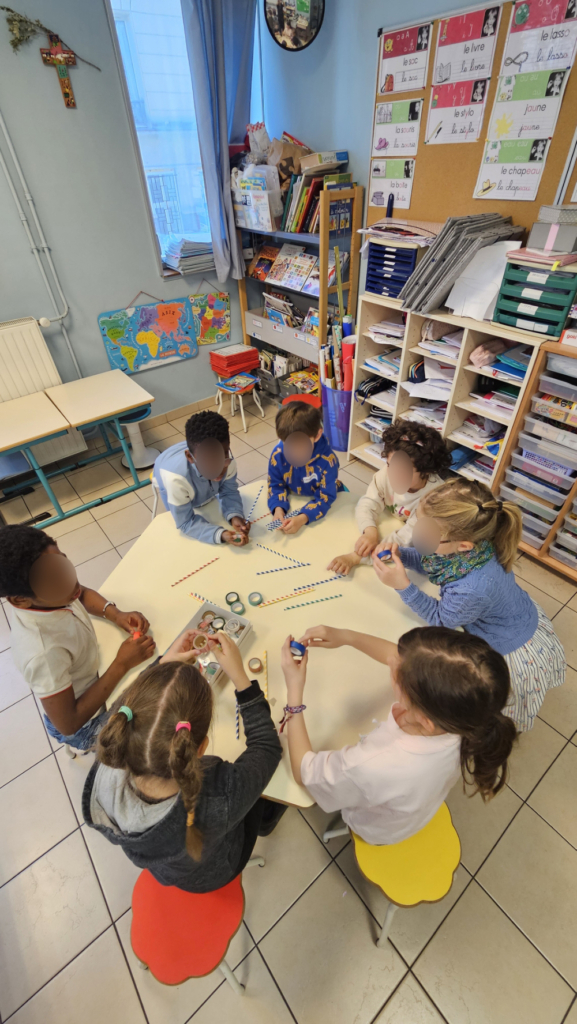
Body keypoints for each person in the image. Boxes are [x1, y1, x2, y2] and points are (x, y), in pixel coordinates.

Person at [83, 631, 284, 892]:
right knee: (276, 786)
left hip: (171, 871)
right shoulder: (219, 795)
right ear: (201, 748)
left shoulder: (110, 750)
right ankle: (266, 821)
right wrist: (241, 679)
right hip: (217, 870)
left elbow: (127, 708)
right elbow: (267, 747)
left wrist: (164, 664)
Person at [280, 624, 516, 845]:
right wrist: (346, 636)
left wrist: (294, 691)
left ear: (425, 720)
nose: (392, 661)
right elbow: (403, 658)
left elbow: (304, 772)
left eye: (398, 674)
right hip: (413, 807)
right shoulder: (466, 715)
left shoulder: (371, 764)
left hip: (379, 829)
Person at [372, 478, 566, 732]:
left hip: (509, 646)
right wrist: (401, 555)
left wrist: (403, 586)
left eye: (428, 534)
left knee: (490, 708)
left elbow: (441, 620)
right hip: (516, 614)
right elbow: (432, 559)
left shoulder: (471, 588)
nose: (418, 536)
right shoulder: (472, 543)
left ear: (463, 546)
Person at [0, 525, 155, 752]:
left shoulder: (56, 590)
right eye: (55, 578)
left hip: (91, 674)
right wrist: (122, 663)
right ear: (20, 600)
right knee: (154, 725)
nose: (70, 580)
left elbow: (80, 593)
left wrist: (115, 614)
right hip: (84, 725)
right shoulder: (43, 652)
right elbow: (68, 724)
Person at [328, 420, 450, 576]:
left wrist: (356, 557)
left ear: (426, 471)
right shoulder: (386, 473)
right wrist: (370, 531)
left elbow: (405, 540)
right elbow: (367, 502)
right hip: (392, 524)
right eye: (390, 464)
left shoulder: (434, 498)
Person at [153, 410, 250, 545]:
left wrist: (235, 515)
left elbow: (229, 492)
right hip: (165, 466)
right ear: (189, 457)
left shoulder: (228, 462)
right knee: (180, 532)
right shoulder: (175, 479)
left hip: (189, 453)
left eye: (222, 456)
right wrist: (220, 534)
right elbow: (185, 522)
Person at [267, 401, 342, 535]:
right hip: (294, 498)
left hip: (325, 504)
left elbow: (325, 497)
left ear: (317, 435)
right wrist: (278, 509)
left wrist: (302, 518)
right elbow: (275, 485)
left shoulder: (328, 461)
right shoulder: (278, 454)